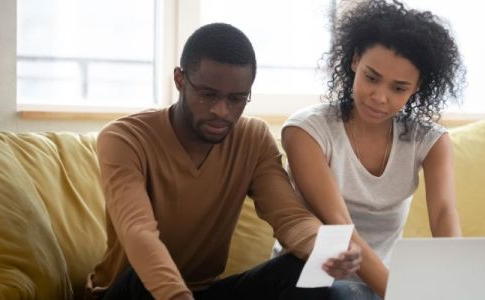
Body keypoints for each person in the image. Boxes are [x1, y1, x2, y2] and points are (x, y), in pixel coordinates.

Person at [85, 23, 361, 300]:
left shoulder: (252, 138)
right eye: (208, 95)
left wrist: (325, 251)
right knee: (140, 280)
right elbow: (138, 231)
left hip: (204, 291)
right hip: (132, 292)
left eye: (237, 98)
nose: (221, 111)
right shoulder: (124, 139)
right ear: (180, 80)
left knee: (300, 269)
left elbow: (289, 216)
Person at [281, 0, 465, 299]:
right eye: (372, 77)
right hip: (311, 281)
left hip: (381, 286)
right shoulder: (307, 131)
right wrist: (397, 293)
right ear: (355, 60)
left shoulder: (430, 141)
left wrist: (459, 285)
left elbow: (444, 215)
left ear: (417, 87)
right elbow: (339, 225)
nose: (380, 97)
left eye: (398, 88)